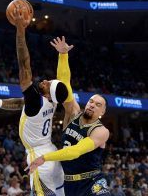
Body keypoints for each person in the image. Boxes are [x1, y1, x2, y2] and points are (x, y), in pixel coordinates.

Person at [0, 6, 73, 196]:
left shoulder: (36, 100)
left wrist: (20, 29)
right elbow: (21, 104)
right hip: (52, 153)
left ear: (47, 93)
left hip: (40, 158)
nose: (44, 80)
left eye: (47, 83)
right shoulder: (49, 103)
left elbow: (24, 64)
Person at [27, 39, 111, 195]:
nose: (92, 105)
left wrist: (45, 158)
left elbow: (76, 151)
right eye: (91, 101)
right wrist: (63, 55)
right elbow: (64, 86)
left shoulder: (101, 131)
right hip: (68, 183)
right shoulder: (73, 113)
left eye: (98, 105)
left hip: (92, 183)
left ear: (102, 113)